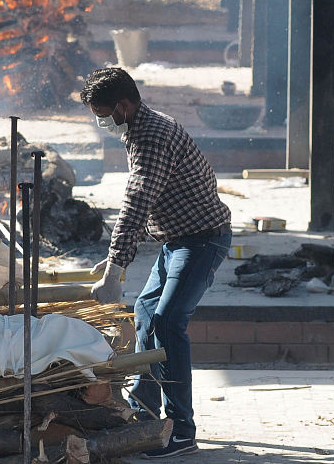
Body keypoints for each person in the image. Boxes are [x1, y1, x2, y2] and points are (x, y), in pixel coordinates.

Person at [81, 67, 232, 459]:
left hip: (201, 240)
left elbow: (135, 202)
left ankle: (182, 429)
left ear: (125, 105)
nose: (101, 122)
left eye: (104, 113)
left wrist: (116, 266)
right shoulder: (137, 127)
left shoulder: (151, 136)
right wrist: (114, 260)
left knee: (168, 322)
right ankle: (143, 412)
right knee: (146, 314)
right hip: (176, 242)